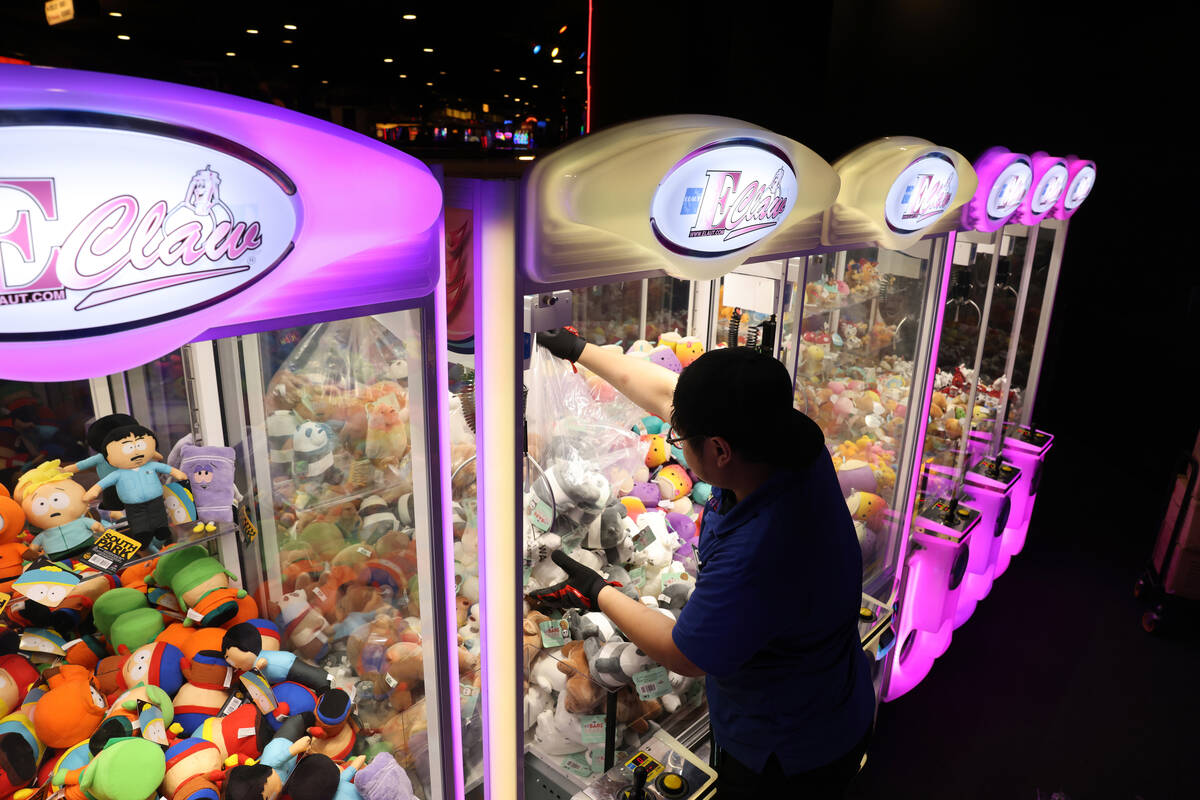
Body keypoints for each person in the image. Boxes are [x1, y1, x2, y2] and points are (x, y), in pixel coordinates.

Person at [530, 328, 875, 799]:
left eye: (681, 438)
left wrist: (596, 589)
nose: (676, 444)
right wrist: (578, 350)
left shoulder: (761, 549)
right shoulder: (788, 440)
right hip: (836, 687)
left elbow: (685, 655)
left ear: (719, 450)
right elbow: (666, 393)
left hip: (788, 745)